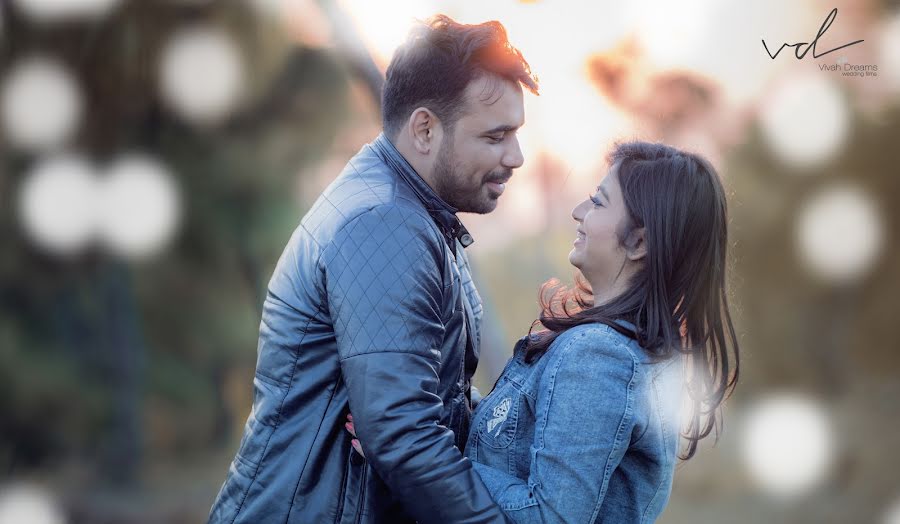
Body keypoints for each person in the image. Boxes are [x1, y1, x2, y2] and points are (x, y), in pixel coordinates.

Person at [208, 14, 538, 524]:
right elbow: (402, 434)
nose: (515, 156)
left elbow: (422, 402)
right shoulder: (386, 222)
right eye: (496, 136)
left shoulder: (413, 212)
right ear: (425, 129)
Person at [346, 141, 741, 523]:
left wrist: (411, 461)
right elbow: (509, 437)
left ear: (639, 241)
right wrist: (410, 426)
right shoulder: (619, 351)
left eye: (599, 202)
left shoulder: (600, 358)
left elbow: (547, 516)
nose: (578, 210)